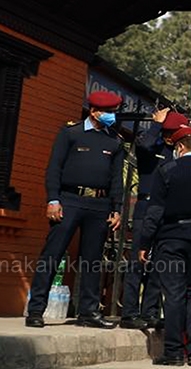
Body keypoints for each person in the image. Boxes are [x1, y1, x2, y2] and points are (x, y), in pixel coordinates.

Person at [26, 90, 125, 329]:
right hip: (69, 199)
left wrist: (117, 209)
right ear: (93, 111)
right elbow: (54, 169)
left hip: (99, 205)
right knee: (53, 255)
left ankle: (88, 312)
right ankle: (36, 310)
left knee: (92, 260)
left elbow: (116, 180)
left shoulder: (115, 141)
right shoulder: (70, 133)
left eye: (114, 112)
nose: (112, 116)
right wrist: (53, 200)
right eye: (108, 112)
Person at [137, 127, 191, 366]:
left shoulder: (167, 170)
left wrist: (145, 242)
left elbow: (154, 211)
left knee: (173, 293)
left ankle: (174, 351)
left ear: (180, 147)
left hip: (171, 236)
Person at [120, 108, 187, 329]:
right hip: (146, 208)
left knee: (159, 265)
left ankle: (149, 312)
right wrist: (156, 125)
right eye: (172, 132)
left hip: (168, 213)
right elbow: (144, 144)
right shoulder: (151, 148)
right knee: (137, 263)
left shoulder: (178, 154)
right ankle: (129, 313)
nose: (175, 137)